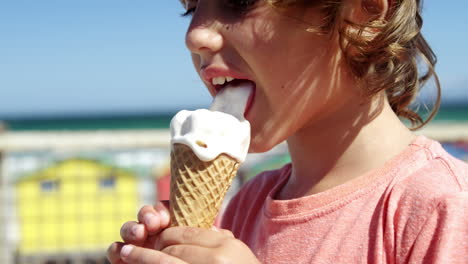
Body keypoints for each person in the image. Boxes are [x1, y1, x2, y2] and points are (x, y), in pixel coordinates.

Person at [107, 0, 468, 263]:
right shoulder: (247, 204)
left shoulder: (443, 208)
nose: (194, 34)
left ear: (366, 11)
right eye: (191, 6)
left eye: (238, 2)